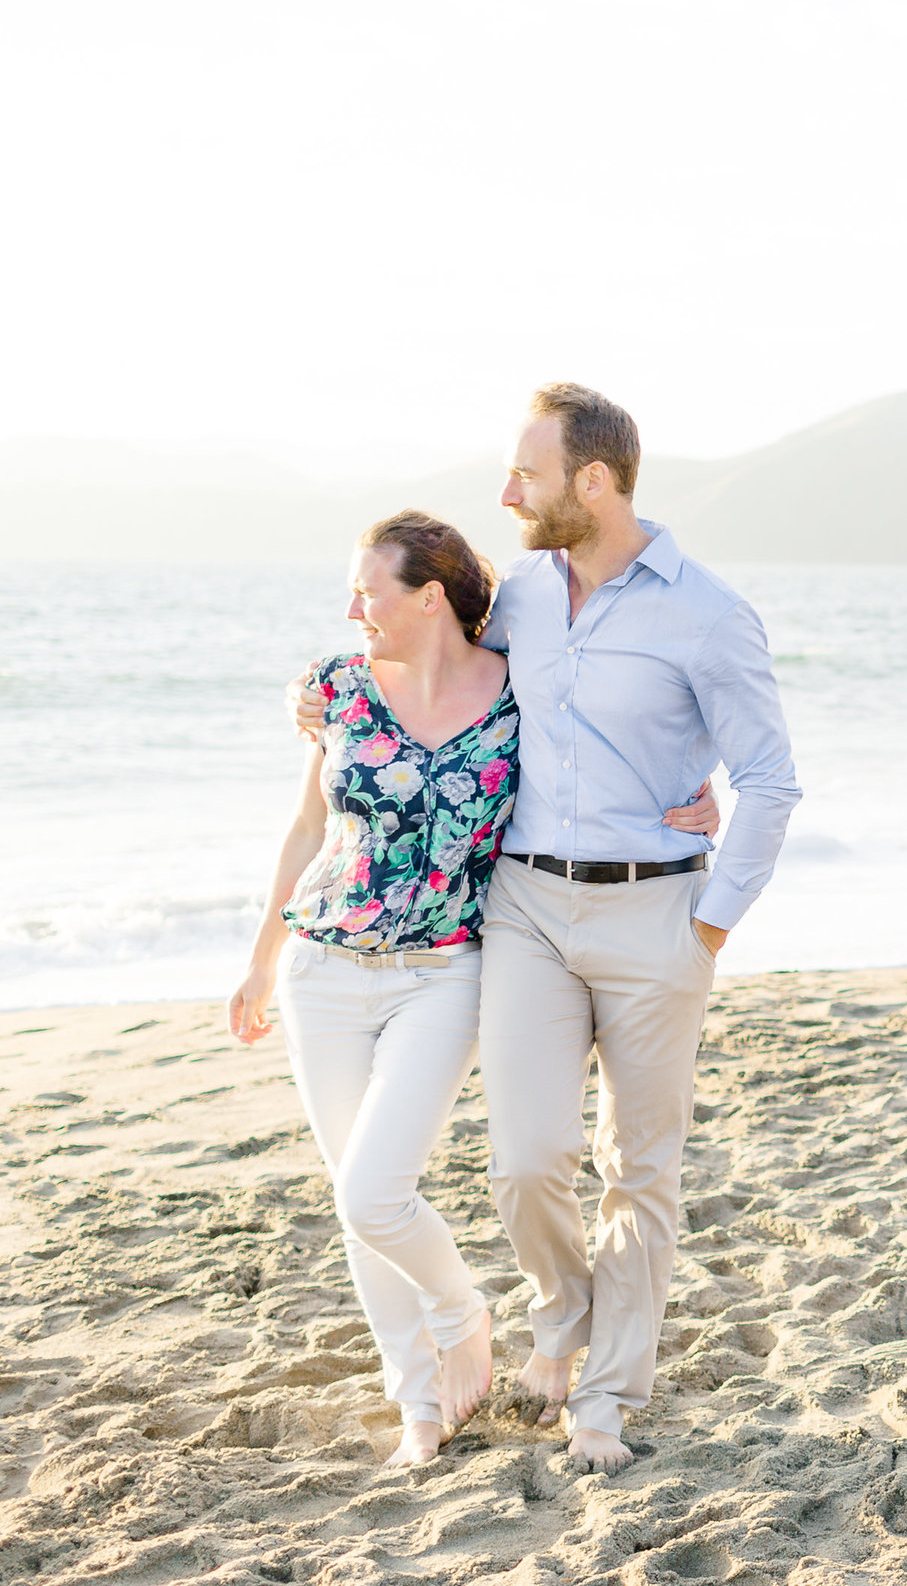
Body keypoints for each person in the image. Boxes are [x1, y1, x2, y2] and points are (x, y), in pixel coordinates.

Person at [291, 385, 798, 1474]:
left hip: (658, 908)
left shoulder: (708, 615)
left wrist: (706, 929)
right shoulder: (516, 594)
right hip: (523, 908)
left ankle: (606, 1394)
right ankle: (561, 1310)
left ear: (595, 483)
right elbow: (422, 677)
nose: (507, 492)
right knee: (526, 1160)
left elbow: (769, 780)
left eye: (527, 473)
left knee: (638, 1171)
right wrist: (318, 702)